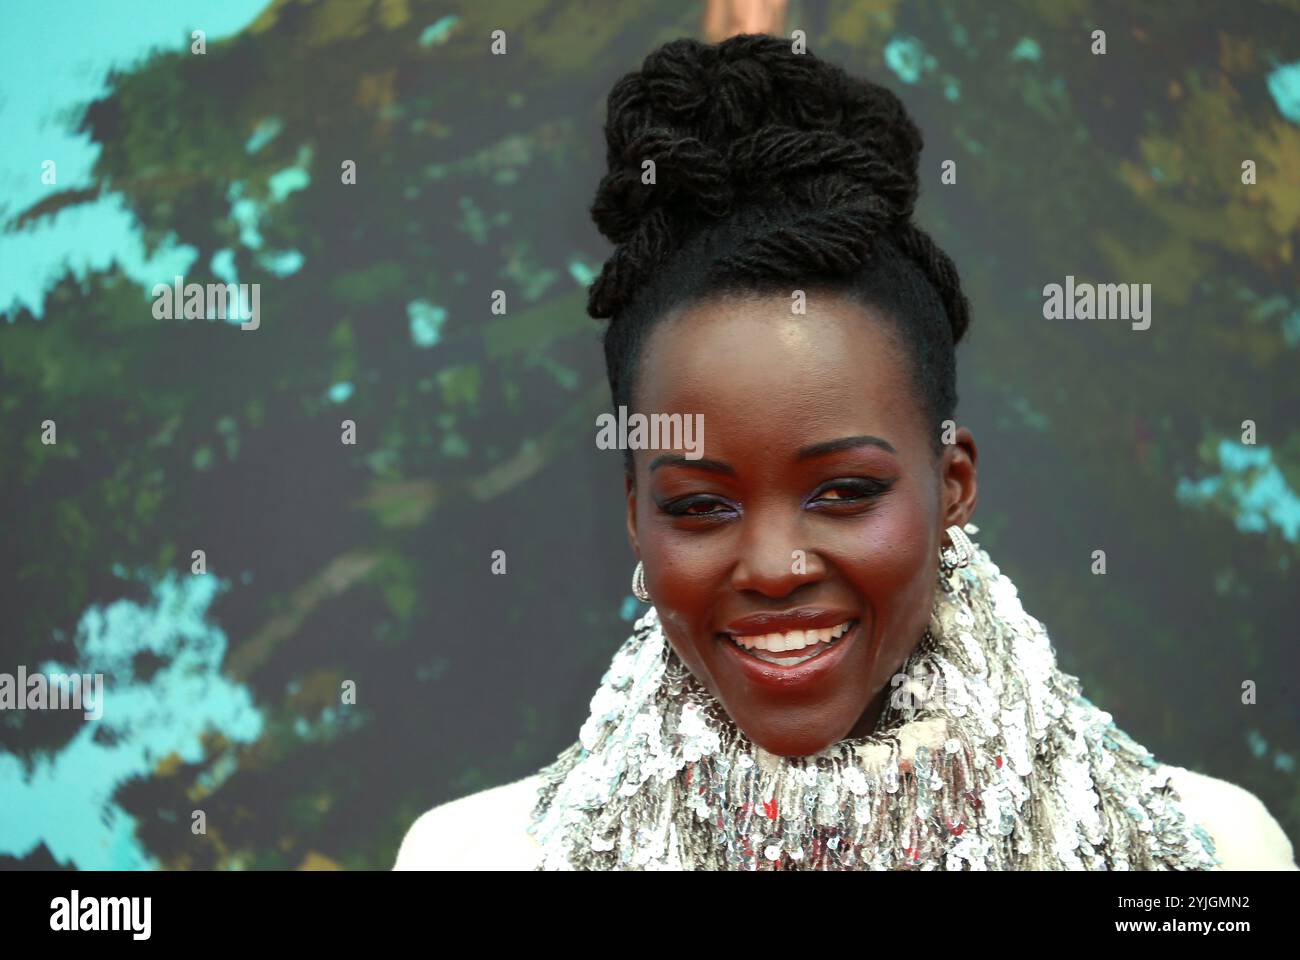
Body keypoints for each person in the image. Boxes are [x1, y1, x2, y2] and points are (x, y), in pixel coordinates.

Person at [395, 35, 1297, 871]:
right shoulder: (470, 858)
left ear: (952, 486)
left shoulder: (1210, 855)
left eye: (845, 491)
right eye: (700, 505)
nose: (776, 568)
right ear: (635, 514)